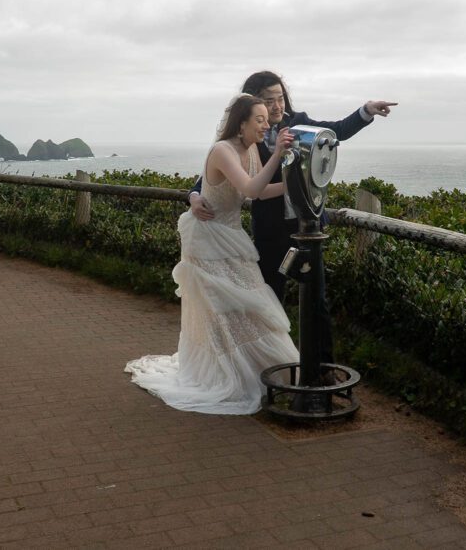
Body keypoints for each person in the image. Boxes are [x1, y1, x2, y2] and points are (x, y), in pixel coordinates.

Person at [189, 71, 396, 368]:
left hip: (307, 226)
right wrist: (194, 196)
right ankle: (268, 367)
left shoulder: (298, 122)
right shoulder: (248, 134)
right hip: (271, 228)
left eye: (280, 97)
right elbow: (216, 171)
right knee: (268, 299)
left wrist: (366, 111)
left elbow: (336, 130)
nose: (276, 106)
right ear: (252, 106)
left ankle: (321, 369)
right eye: (268, 100)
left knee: (317, 299)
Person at [125, 95, 299, 414]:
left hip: (231, 236)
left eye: (266, 119)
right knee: (219, 311)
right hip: (207, 237)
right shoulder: (223, 149)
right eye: (258, 119)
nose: (266, 125)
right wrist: (276, 154)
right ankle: (229, 375)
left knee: (247, 306)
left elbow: (260, 192)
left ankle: (266, 371)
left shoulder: (248, 150)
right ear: (241, 122)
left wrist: (293, 183)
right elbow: (248, 188)